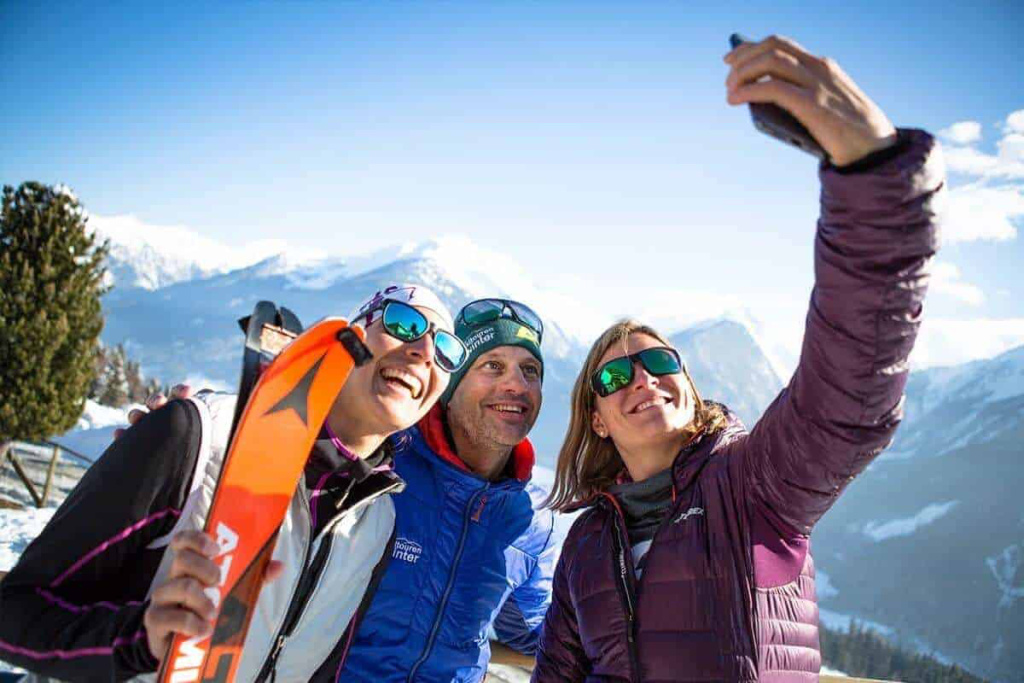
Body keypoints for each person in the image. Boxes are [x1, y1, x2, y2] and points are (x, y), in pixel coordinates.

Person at [532, 35, 945, 682]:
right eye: (615, 375)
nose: (643, 377)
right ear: (599, 419)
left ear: (690, 387)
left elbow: (845, 396)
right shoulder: (587, 543)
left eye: (661, 362)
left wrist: (876, 178)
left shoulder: (753, 485)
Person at [0, 284, 465, 682]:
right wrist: (138, 640)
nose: (424, 351)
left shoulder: (376, 522)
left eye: (446, 350)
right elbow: (13, 613)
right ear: (351, 338)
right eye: (403, 324)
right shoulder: (193, 437)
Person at [122, 298, 560, 682]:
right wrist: (189, 446)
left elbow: (536, 636)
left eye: (530, 371)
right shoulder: (384, 462)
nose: (517, 385)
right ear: (450, 387)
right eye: (493, 366)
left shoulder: (530, 518)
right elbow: (275, 450)